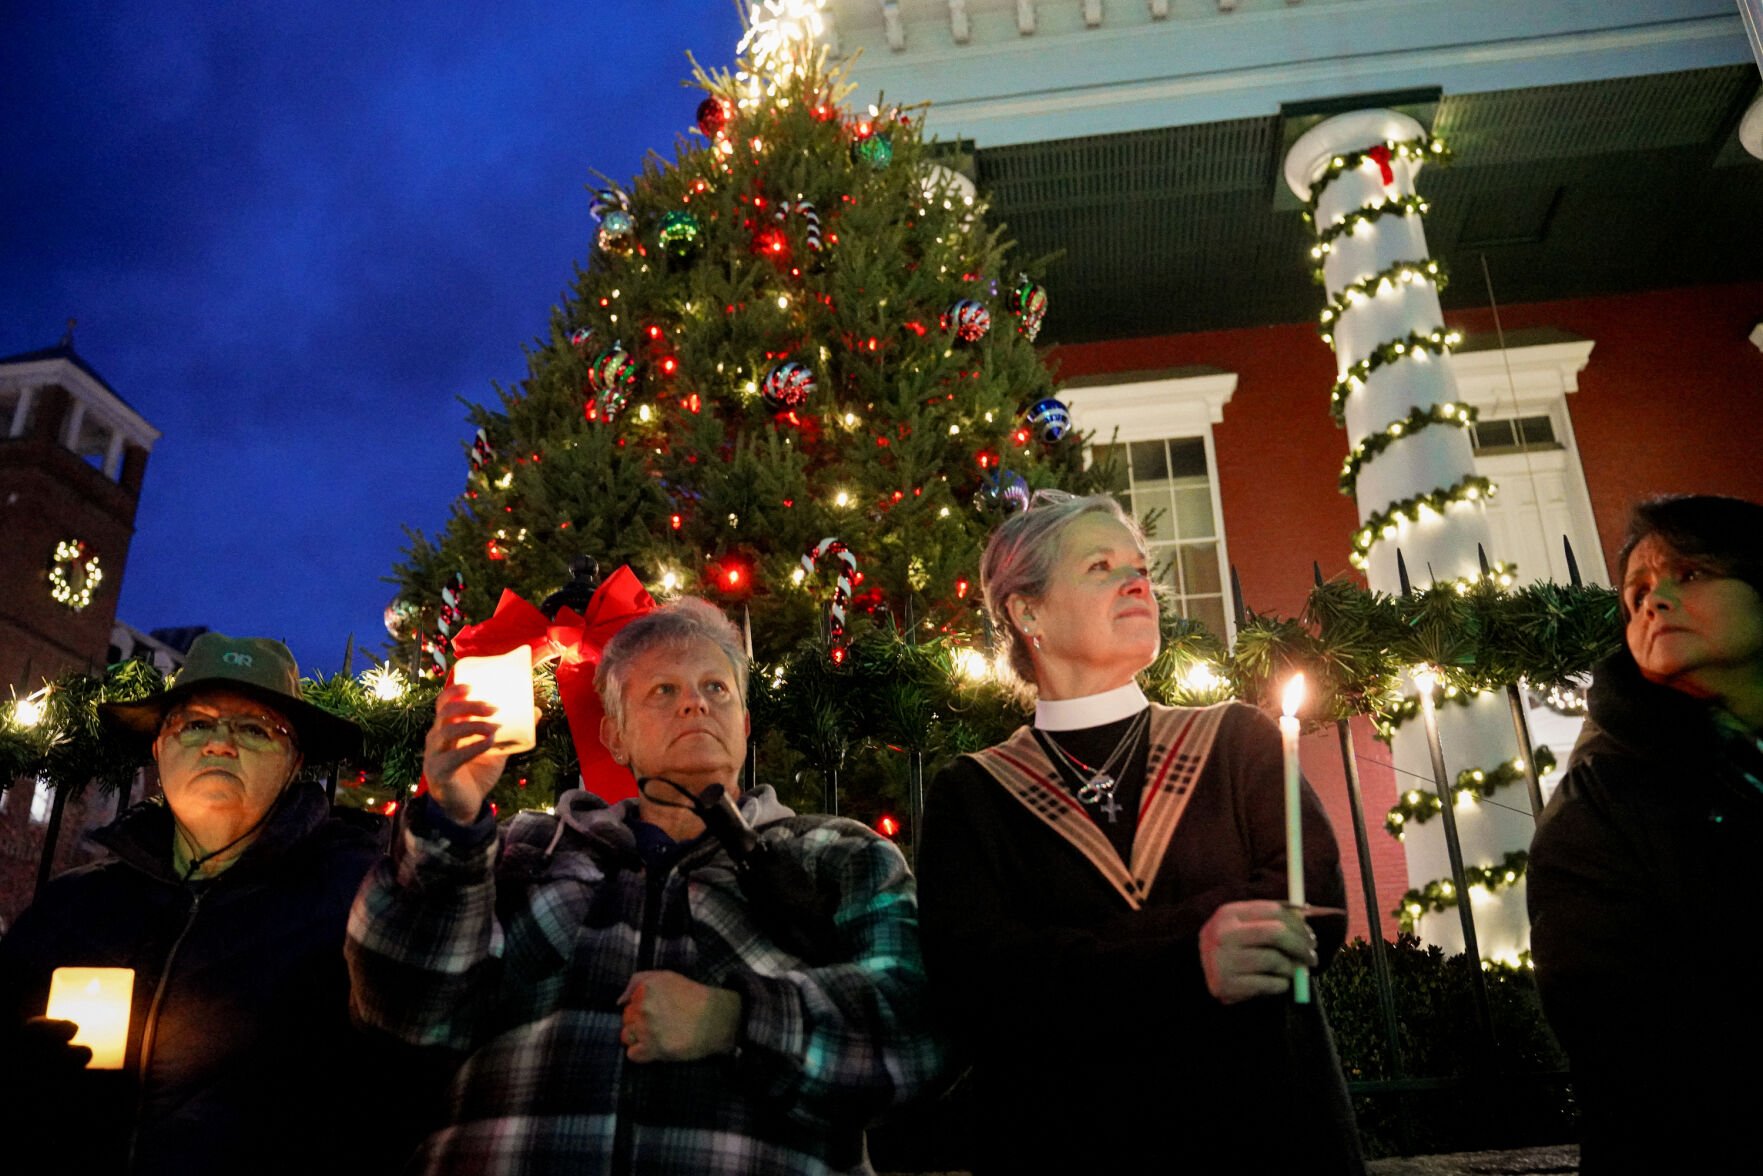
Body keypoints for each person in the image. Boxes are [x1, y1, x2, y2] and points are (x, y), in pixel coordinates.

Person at [347, 596, 945, 1175]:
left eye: (716, 688)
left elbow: (914, 1034)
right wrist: (450, 821)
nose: (695, 705)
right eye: (664, 690)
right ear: (615, 737)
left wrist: (733, 1019)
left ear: (744, 722)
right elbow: (403, 1014)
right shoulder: (524, 850)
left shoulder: (840, 853)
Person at [917, 492, 1364, 1174]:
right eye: (1099, 566)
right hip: (1067, 1146)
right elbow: (983, 991)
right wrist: (1195, 957)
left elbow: (1310, 910)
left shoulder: (1237, 741)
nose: (1136, 582)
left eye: (1139, 567)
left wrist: (1082, 963)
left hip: (1266, 1136)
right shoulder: (973, 793)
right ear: (1025, 610)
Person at [0, 633, 388, 1175]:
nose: (219, 744)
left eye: (253, 729)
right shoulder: (75, 905)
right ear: (159, 748)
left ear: (294, 761)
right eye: (196, 723)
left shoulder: (354, 903)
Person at [1529, 494, 1763, 1173]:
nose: (1653, 601)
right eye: (1635, 593)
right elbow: (1621, 1035)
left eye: (1687, 574)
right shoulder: (1601, 797)